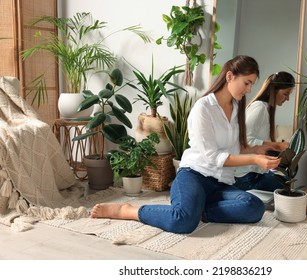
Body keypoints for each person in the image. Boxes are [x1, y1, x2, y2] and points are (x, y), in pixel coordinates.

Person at [90, 55, 281, 234]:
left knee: (254, 207)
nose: (249, 90)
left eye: (251, 85)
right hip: (195, 176)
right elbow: (213, 157)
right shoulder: (203, 108)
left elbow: (235, 148)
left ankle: (197, 210)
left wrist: (259, 150)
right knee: (183, 221)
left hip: (222, 183)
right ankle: (128, 210)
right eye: (247, 83)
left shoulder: (237, 108)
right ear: (230, 76)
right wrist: (255, 159)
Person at [234, 71, 296, 192]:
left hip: (254, 173)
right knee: (285, 183)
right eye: (285, 94)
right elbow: (244, 139)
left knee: (285, 179)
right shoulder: (259, 108)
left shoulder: (266, 109)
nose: (287, 98)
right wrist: (277, 145)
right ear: (274, 90)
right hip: (245, 177)